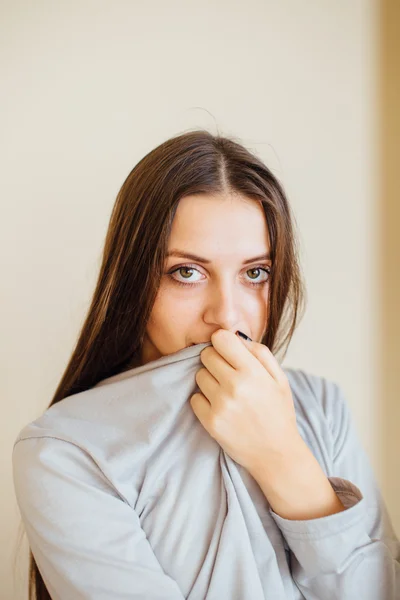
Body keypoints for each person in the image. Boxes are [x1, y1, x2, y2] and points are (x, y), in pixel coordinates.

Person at [12, 130, 400, 599]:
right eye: (187, 273)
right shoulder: (66, 452)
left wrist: (282, 457)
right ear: (134, 277)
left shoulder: (322, 408)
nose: (228, 315)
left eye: (255, 273)